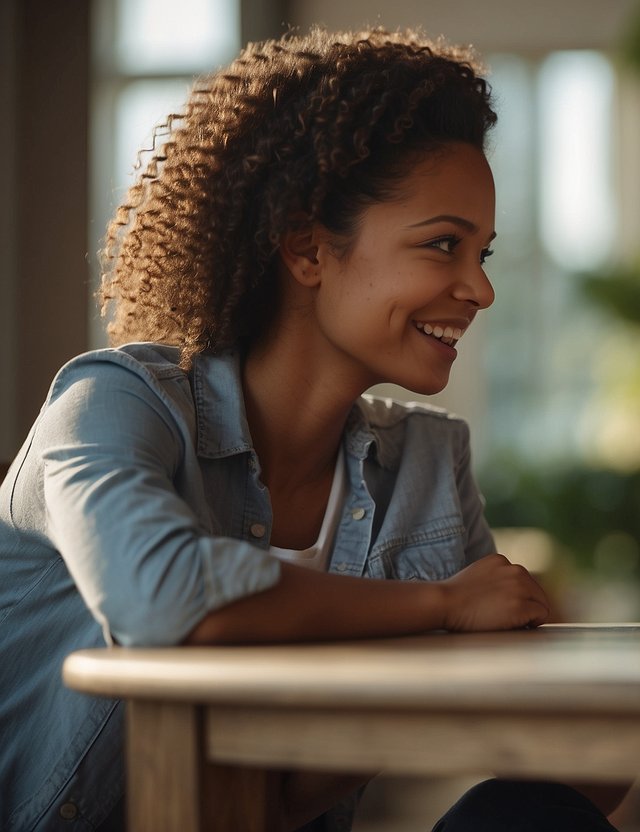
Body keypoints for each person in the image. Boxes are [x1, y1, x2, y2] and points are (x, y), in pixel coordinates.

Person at [0, 27, 554, 832]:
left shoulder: (427, 467)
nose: (479, 290)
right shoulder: (110, 406)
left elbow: (286, 798)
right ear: (305, 250)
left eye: (483, 253)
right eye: (443, 246)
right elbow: (164, 601)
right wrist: (438, 603)